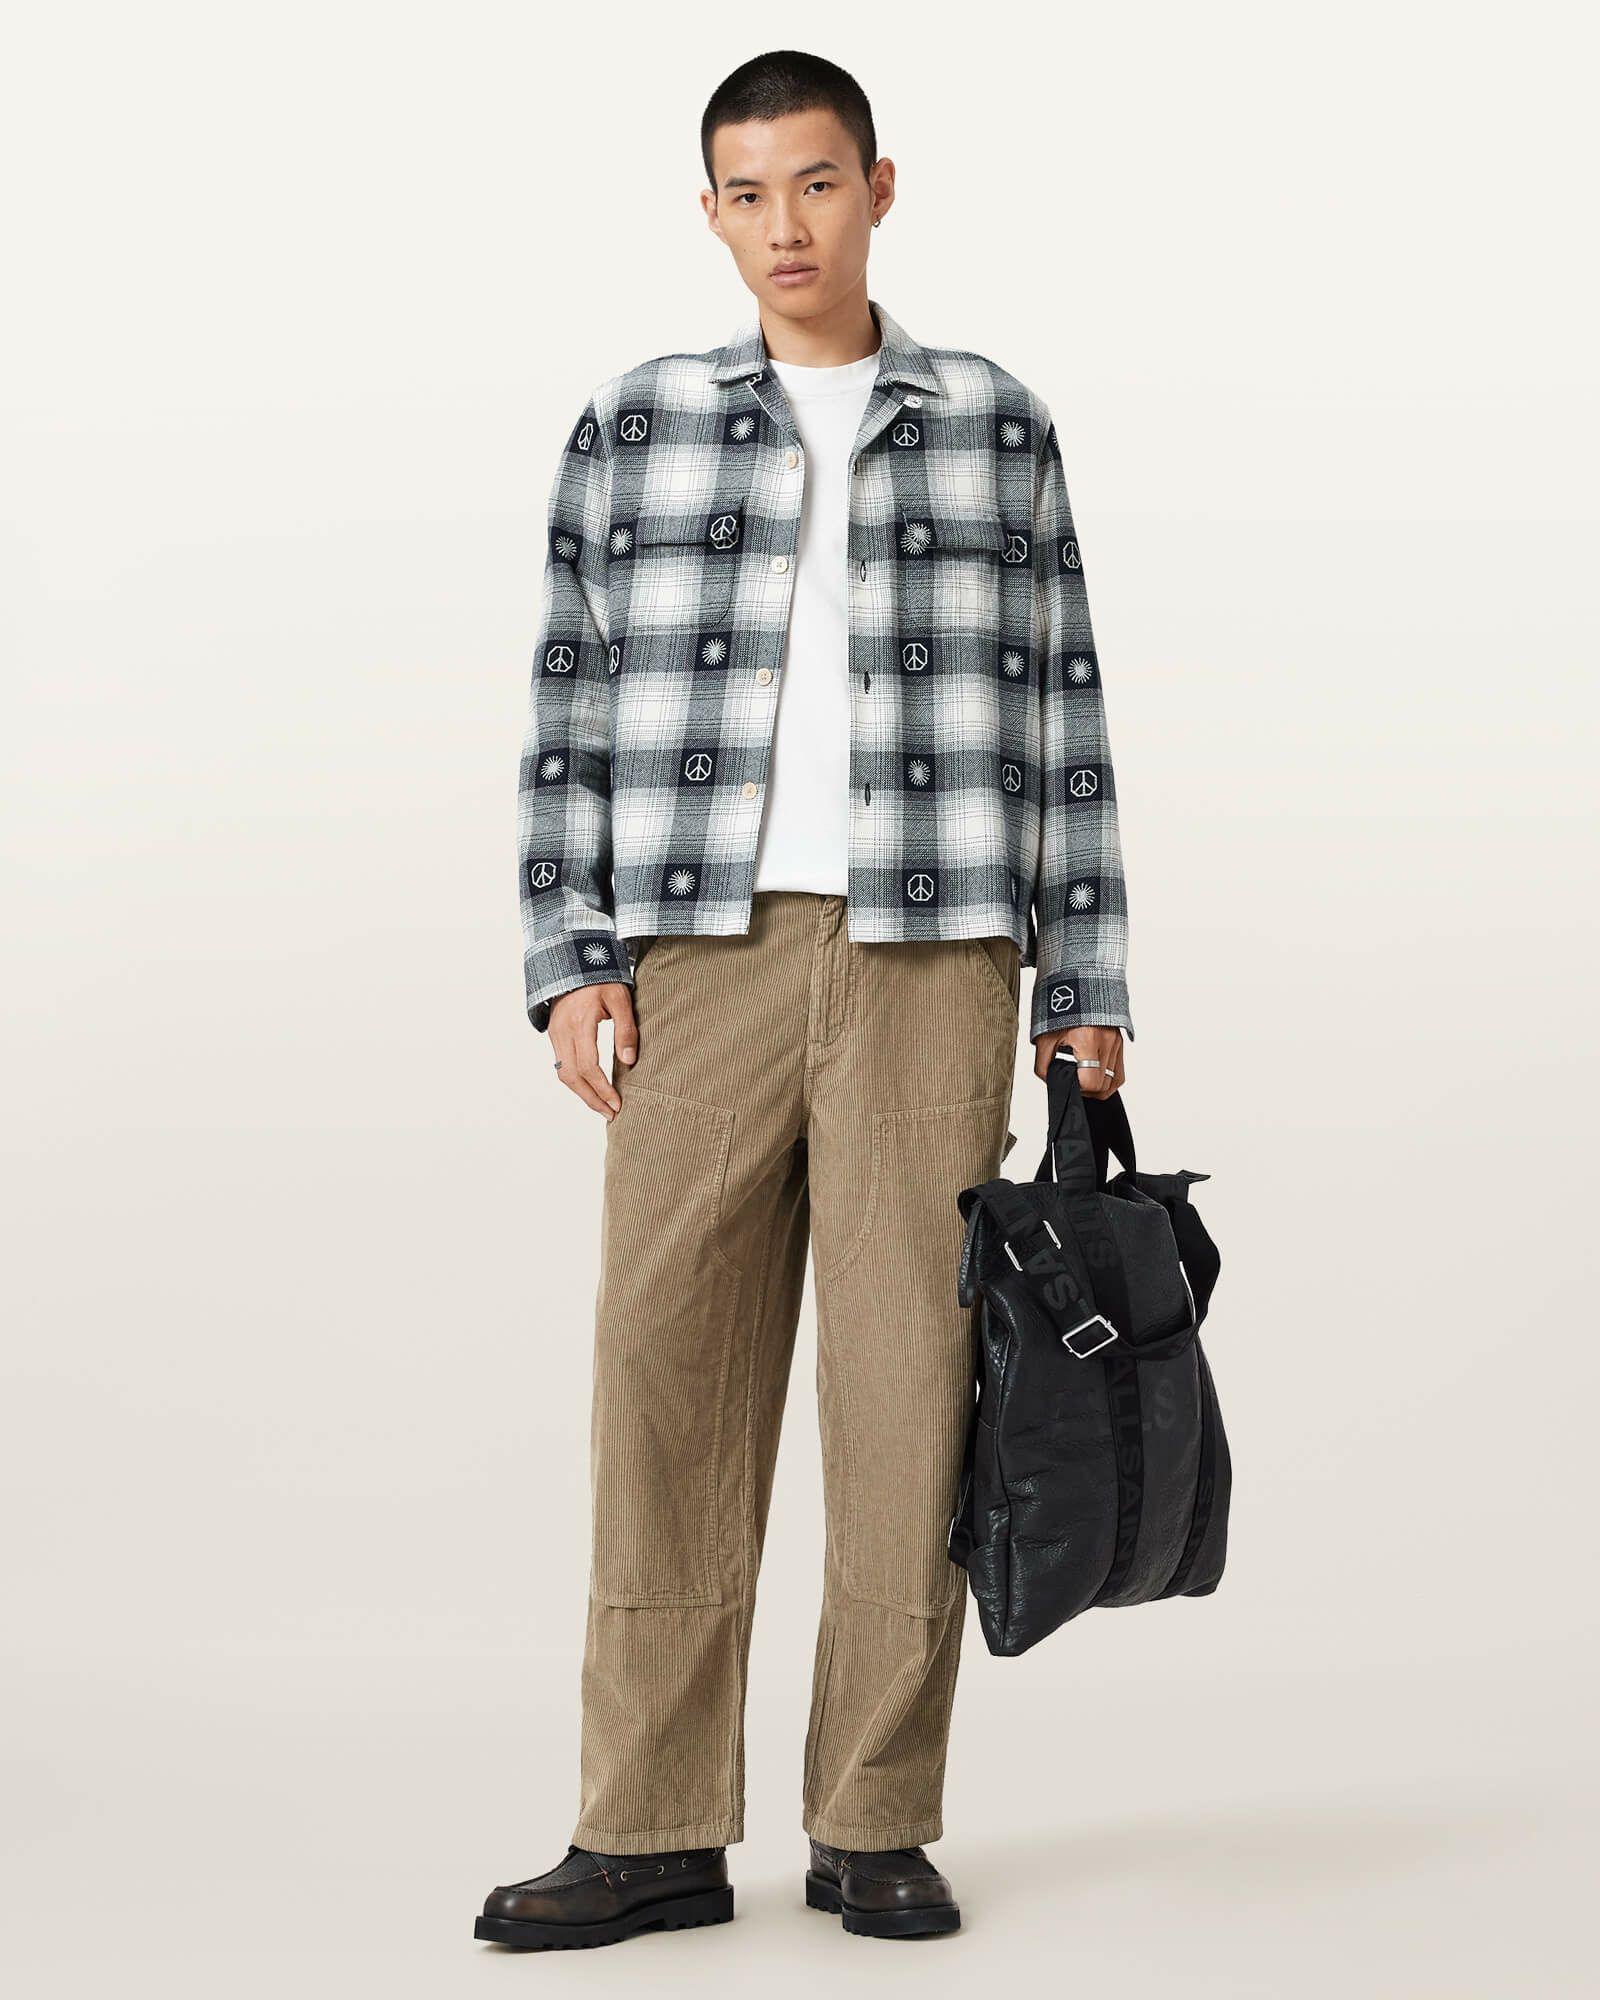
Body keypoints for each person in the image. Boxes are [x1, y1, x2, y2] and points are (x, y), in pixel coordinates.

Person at [475, 47, 1133, 1952]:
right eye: (750, 193)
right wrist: (570, 958)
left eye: (819, 184)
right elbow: (568, 700)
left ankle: (873, 1820)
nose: (788, 225)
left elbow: (1065, 710)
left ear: (879, 189)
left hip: (941, 951)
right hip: (702, 950)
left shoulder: (994, 422)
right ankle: (648, 1829)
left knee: (910, 1384)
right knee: (662, 1372)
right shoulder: (637, 423)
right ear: (711, 212)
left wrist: (1084, 978)